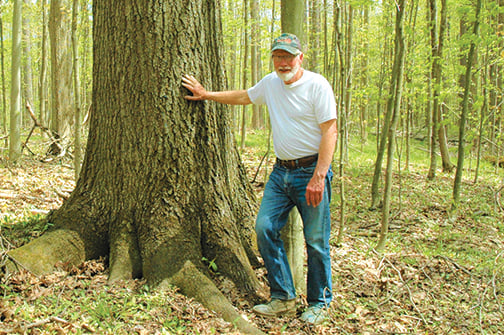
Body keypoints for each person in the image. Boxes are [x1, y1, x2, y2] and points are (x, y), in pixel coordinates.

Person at [182, 33, 337, 325]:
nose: (283, 62)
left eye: (288, 56)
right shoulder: (270, 83)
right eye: (278, 56)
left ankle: (320, 303)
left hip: (311, 172)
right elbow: (244, 96)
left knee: (316, 240)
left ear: (300, 58)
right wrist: (206, 95)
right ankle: (284, 297)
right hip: (281, 173)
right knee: (264, 228)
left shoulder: (317, 85)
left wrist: (319, 176)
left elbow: (330, 130)